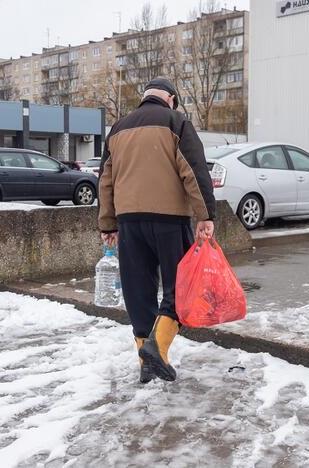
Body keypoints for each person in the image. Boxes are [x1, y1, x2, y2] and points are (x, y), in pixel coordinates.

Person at [98, 77, 216, 383]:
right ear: (171, 99)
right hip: (169, 221)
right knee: (181, 290)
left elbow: (105, 181)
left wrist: (107, 223)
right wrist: (205, 215)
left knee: (139, 293)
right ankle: (157, 350)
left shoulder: (118, 128)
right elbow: (194, 170)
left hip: (129, 223)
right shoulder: (176, 122)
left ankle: (146, 364)